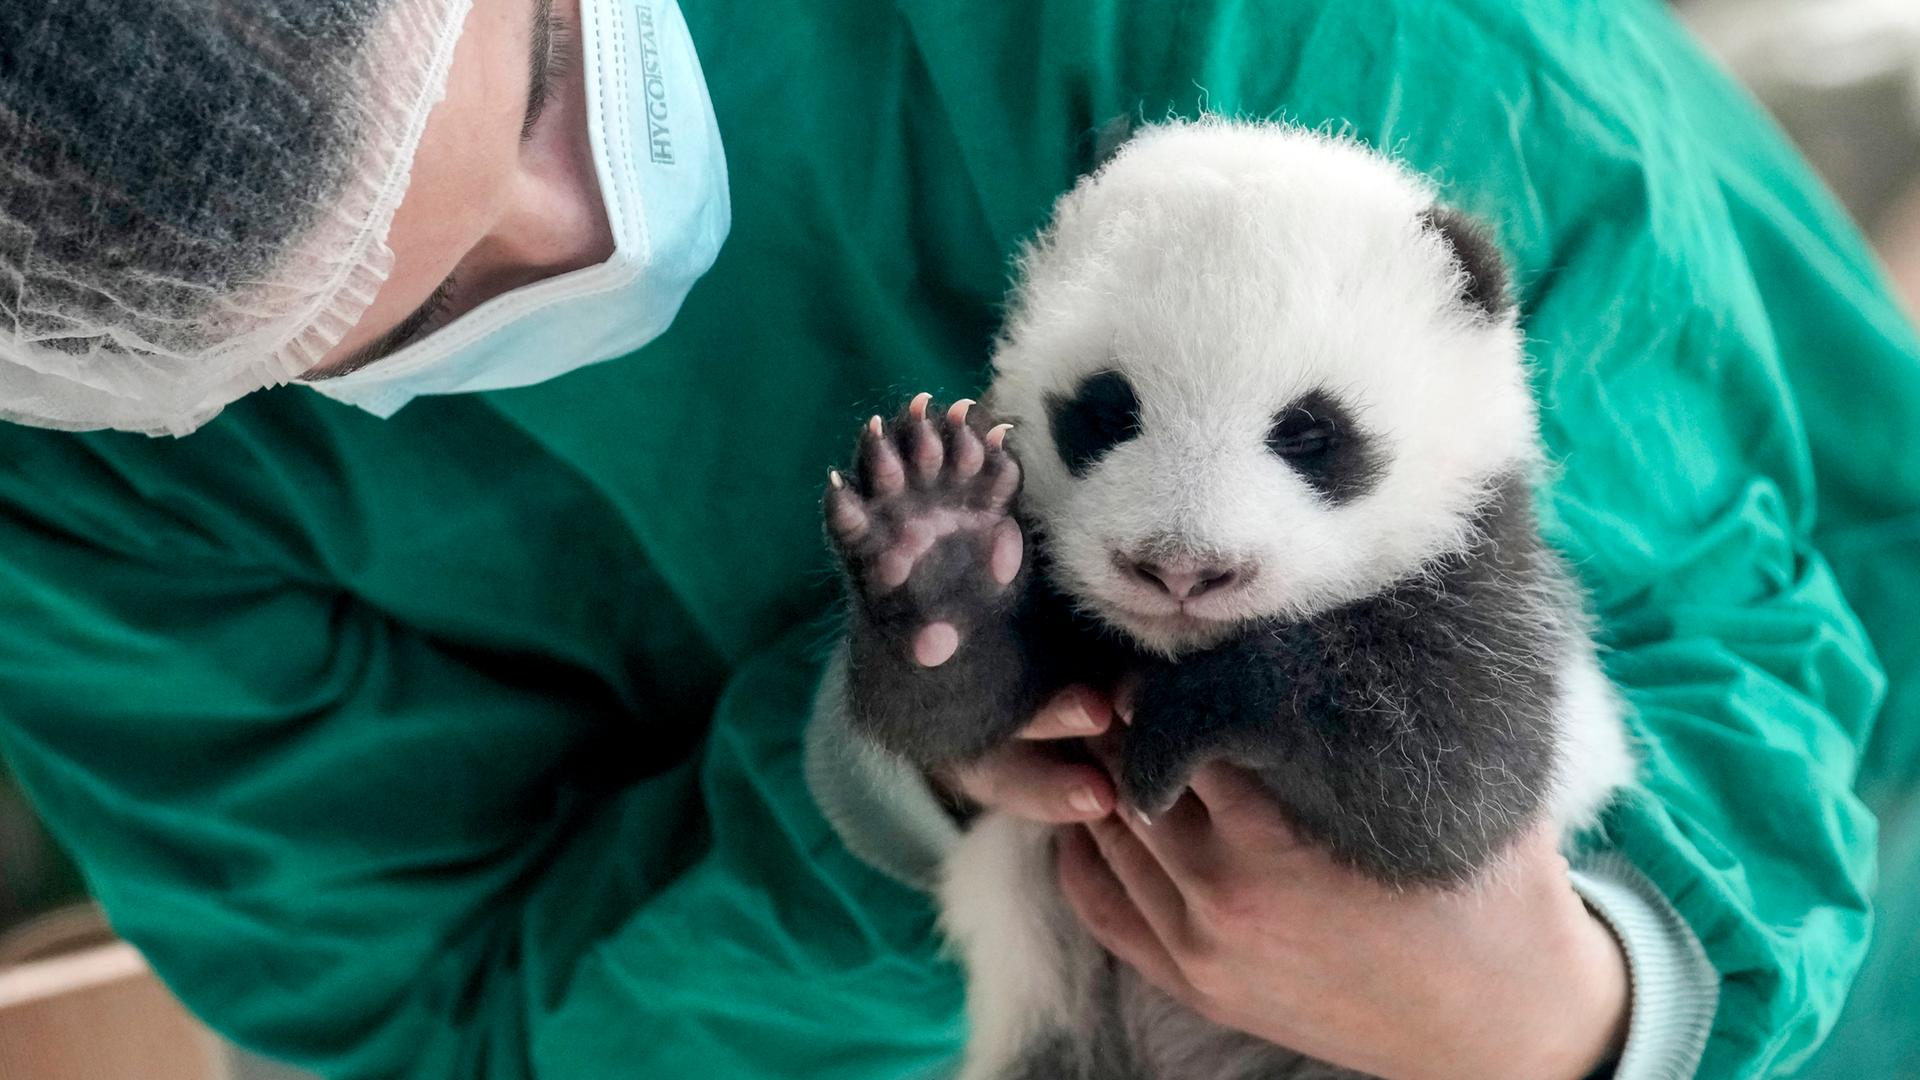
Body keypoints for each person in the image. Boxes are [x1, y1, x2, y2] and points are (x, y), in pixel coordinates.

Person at [0, 0, 1911, 1077]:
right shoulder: (93, 497)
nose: (582, 228)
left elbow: (1717, 612)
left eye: (552, 71)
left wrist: (1588, 1003)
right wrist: (891, 789)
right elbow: (450, 1039)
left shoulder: (1264, 30)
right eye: (413, 317)